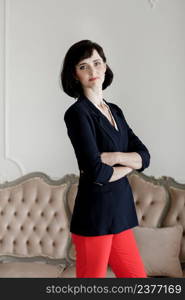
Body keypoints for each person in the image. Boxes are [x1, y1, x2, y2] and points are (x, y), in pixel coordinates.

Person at [61, 40, 150, 278]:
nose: (92, 71)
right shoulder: (77, 114)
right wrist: (130, 164)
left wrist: (115, 157)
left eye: (97, 63)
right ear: (75, 74)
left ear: (105, 67)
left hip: (119, 213)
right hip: (94, 217)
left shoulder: (116, 111)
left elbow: (145, 156)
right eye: (83, 66)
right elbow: (98, 172)